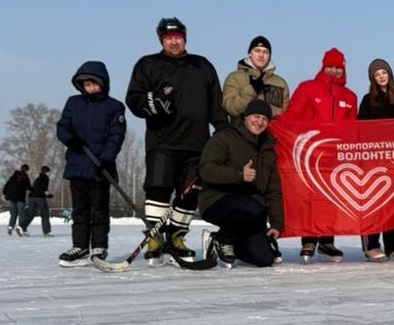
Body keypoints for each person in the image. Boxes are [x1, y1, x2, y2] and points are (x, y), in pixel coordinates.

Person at [126, 18, 225, 263]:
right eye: (169, 37)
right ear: (161, 39)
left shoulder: (202, 65)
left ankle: (177, 237)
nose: (174, 41)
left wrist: (224, 132)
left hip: (197, 144)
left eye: (178, 36)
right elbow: (134, 99)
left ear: (185, 38)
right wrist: (153, 103)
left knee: (188, 195)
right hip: (162, 143)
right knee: (158, 189)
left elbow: (217, 106)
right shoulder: (148, 64)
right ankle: (155, 239)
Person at [288, 47, 358, 260]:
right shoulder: (307, 88)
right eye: (331, 66)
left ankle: (327, 242)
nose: (334, 71)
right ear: (323, 66)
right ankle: (309, 240)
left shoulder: (350, 96)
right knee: (311, 197)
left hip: (336, 156)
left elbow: (353, 128)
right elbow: (293, 115)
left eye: (338, 67)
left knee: (332, 197)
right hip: (310, 154)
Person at [55, 62, 128, 265]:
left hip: (100, 168)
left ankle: (99, 246)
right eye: (86, 84)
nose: (91, 88)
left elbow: (116, 136)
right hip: (77, 165)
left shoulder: (114, 107)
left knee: (99, 209)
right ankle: (79, 246)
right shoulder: (73, 103)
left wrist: (105, 159)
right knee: (80, 210)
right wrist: (70, 140)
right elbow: (62, 127)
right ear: (81, 85)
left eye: (94, 84)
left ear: (103, 84)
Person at [198, 100, 284, 267]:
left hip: (251, 210)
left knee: (264, 259)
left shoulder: (268, 148)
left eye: (265, 119)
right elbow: (206, 169)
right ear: (245, 117)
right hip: (217, 200)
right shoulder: (225, 137)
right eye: (256, 116)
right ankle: (223, 239)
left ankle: (220, 240)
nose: (260, 122)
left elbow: (273, 190)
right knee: (252, 207)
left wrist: (276, 223)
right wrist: (238, 174)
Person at [357, 59, 394, 260]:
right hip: (373, 161)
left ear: (389, 74)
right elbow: (360, 130)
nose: (381, 76)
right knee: (374, 202)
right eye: (376, 74)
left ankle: (393, 244)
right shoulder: (367, 100)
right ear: (372, 78)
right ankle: (372, 244)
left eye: (383, 72)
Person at [221, 36, 290, 124]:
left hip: (271, 135)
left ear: (270, 56)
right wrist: (251, 90)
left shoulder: (280, 83)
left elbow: (286, 116)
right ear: (249, 53)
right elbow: (231, 108)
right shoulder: (235, 77)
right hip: (241, 135)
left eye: (265, 52)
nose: (261, 55)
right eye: (257, 51)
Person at [22, 166, 54, 236]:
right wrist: (49, 195)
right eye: (49, 172)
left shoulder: (38, 178)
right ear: (47, 172)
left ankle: (22, 227)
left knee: (31, 214)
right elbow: (44, 189)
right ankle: (47, 232)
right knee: (45, 214)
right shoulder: (45, 178)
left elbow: (35, 188)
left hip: (31, 197)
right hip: (39, 197)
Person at [2, 166, 30, 236]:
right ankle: (20, 228)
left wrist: (6, 195)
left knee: (14, 214)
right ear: (27, 170)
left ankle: (10, 227)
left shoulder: (13, 177)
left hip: (11, 198)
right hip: (20, 198)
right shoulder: (25, 177)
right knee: (22, 214)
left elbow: (6, 186)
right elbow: (29, 187)